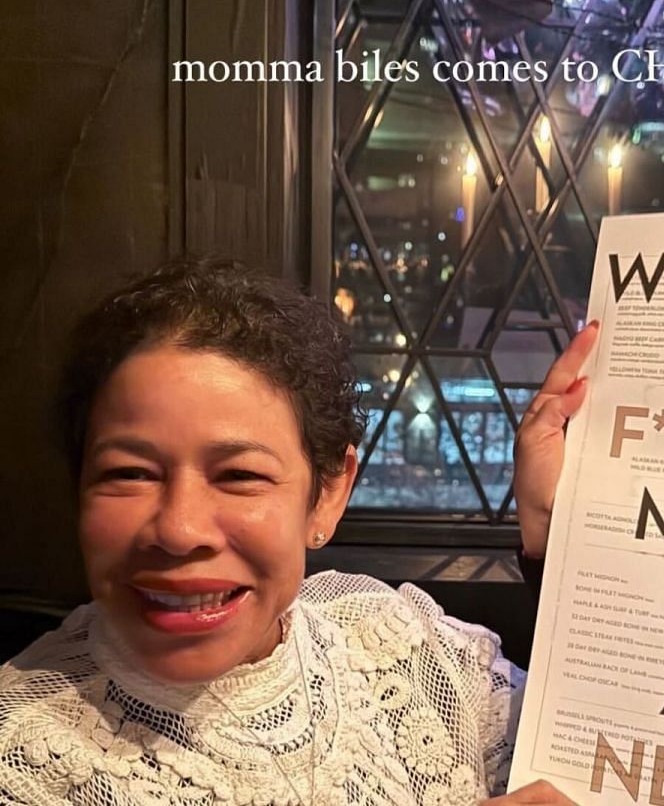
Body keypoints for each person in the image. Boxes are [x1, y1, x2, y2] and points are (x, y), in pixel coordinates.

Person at [0, 258, 578, 805]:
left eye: (239, 475)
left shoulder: (403, 646)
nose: (178, 529)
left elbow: (614, 738)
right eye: (129, 473)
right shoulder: (23, 756)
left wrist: (563, 535)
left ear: (327, 494)